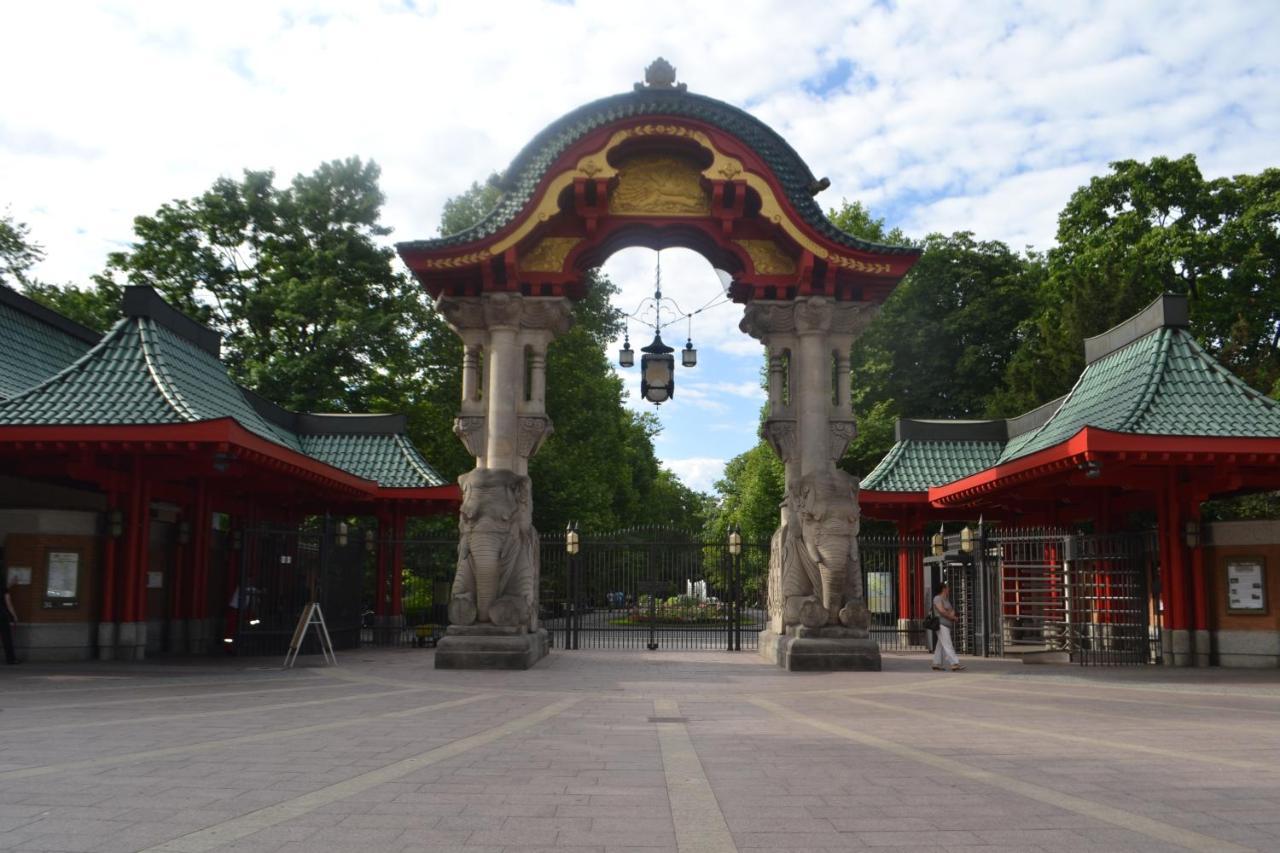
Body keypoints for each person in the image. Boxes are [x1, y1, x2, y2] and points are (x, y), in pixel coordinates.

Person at [931, 580, 964, 672]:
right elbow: (942, 611)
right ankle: (954, 663)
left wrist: (950, 614)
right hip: (941, 625)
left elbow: (950, 611)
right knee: (947, 644)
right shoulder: (937, 598)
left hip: (946, 625)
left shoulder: (946, 600)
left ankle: (936, 664)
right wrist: (952, 616)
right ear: (943, 589)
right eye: (947, 587)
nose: (949, 589)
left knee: (940, 645)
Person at [1, 580, 18, 664]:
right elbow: (9, 604)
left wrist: (11, 584)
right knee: (6, 638)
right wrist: (14, 616)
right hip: (2, 616)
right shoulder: (4, 589)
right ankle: (11, 660)